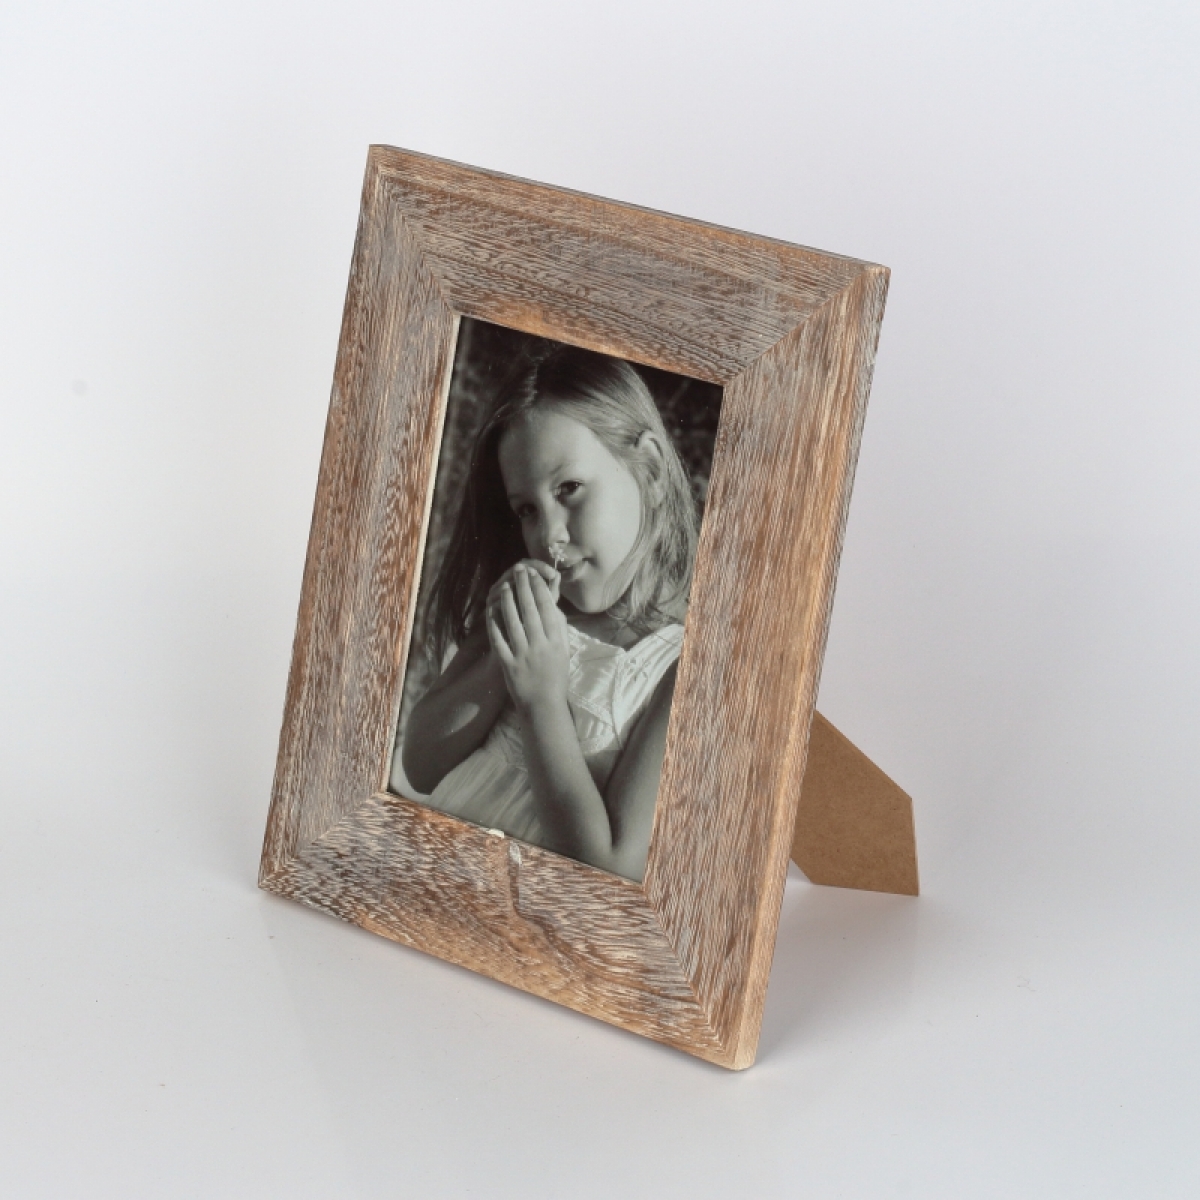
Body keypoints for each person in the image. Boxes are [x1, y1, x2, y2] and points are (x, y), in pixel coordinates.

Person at [400, 344, 699, 881]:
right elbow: (420, 766)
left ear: (651, 470)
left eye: (569, 489)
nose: (549, 535)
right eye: (527, 509)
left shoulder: (682, 667)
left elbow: (609, 864)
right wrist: (506, 660)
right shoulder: (532, 611)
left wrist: (540, 697)